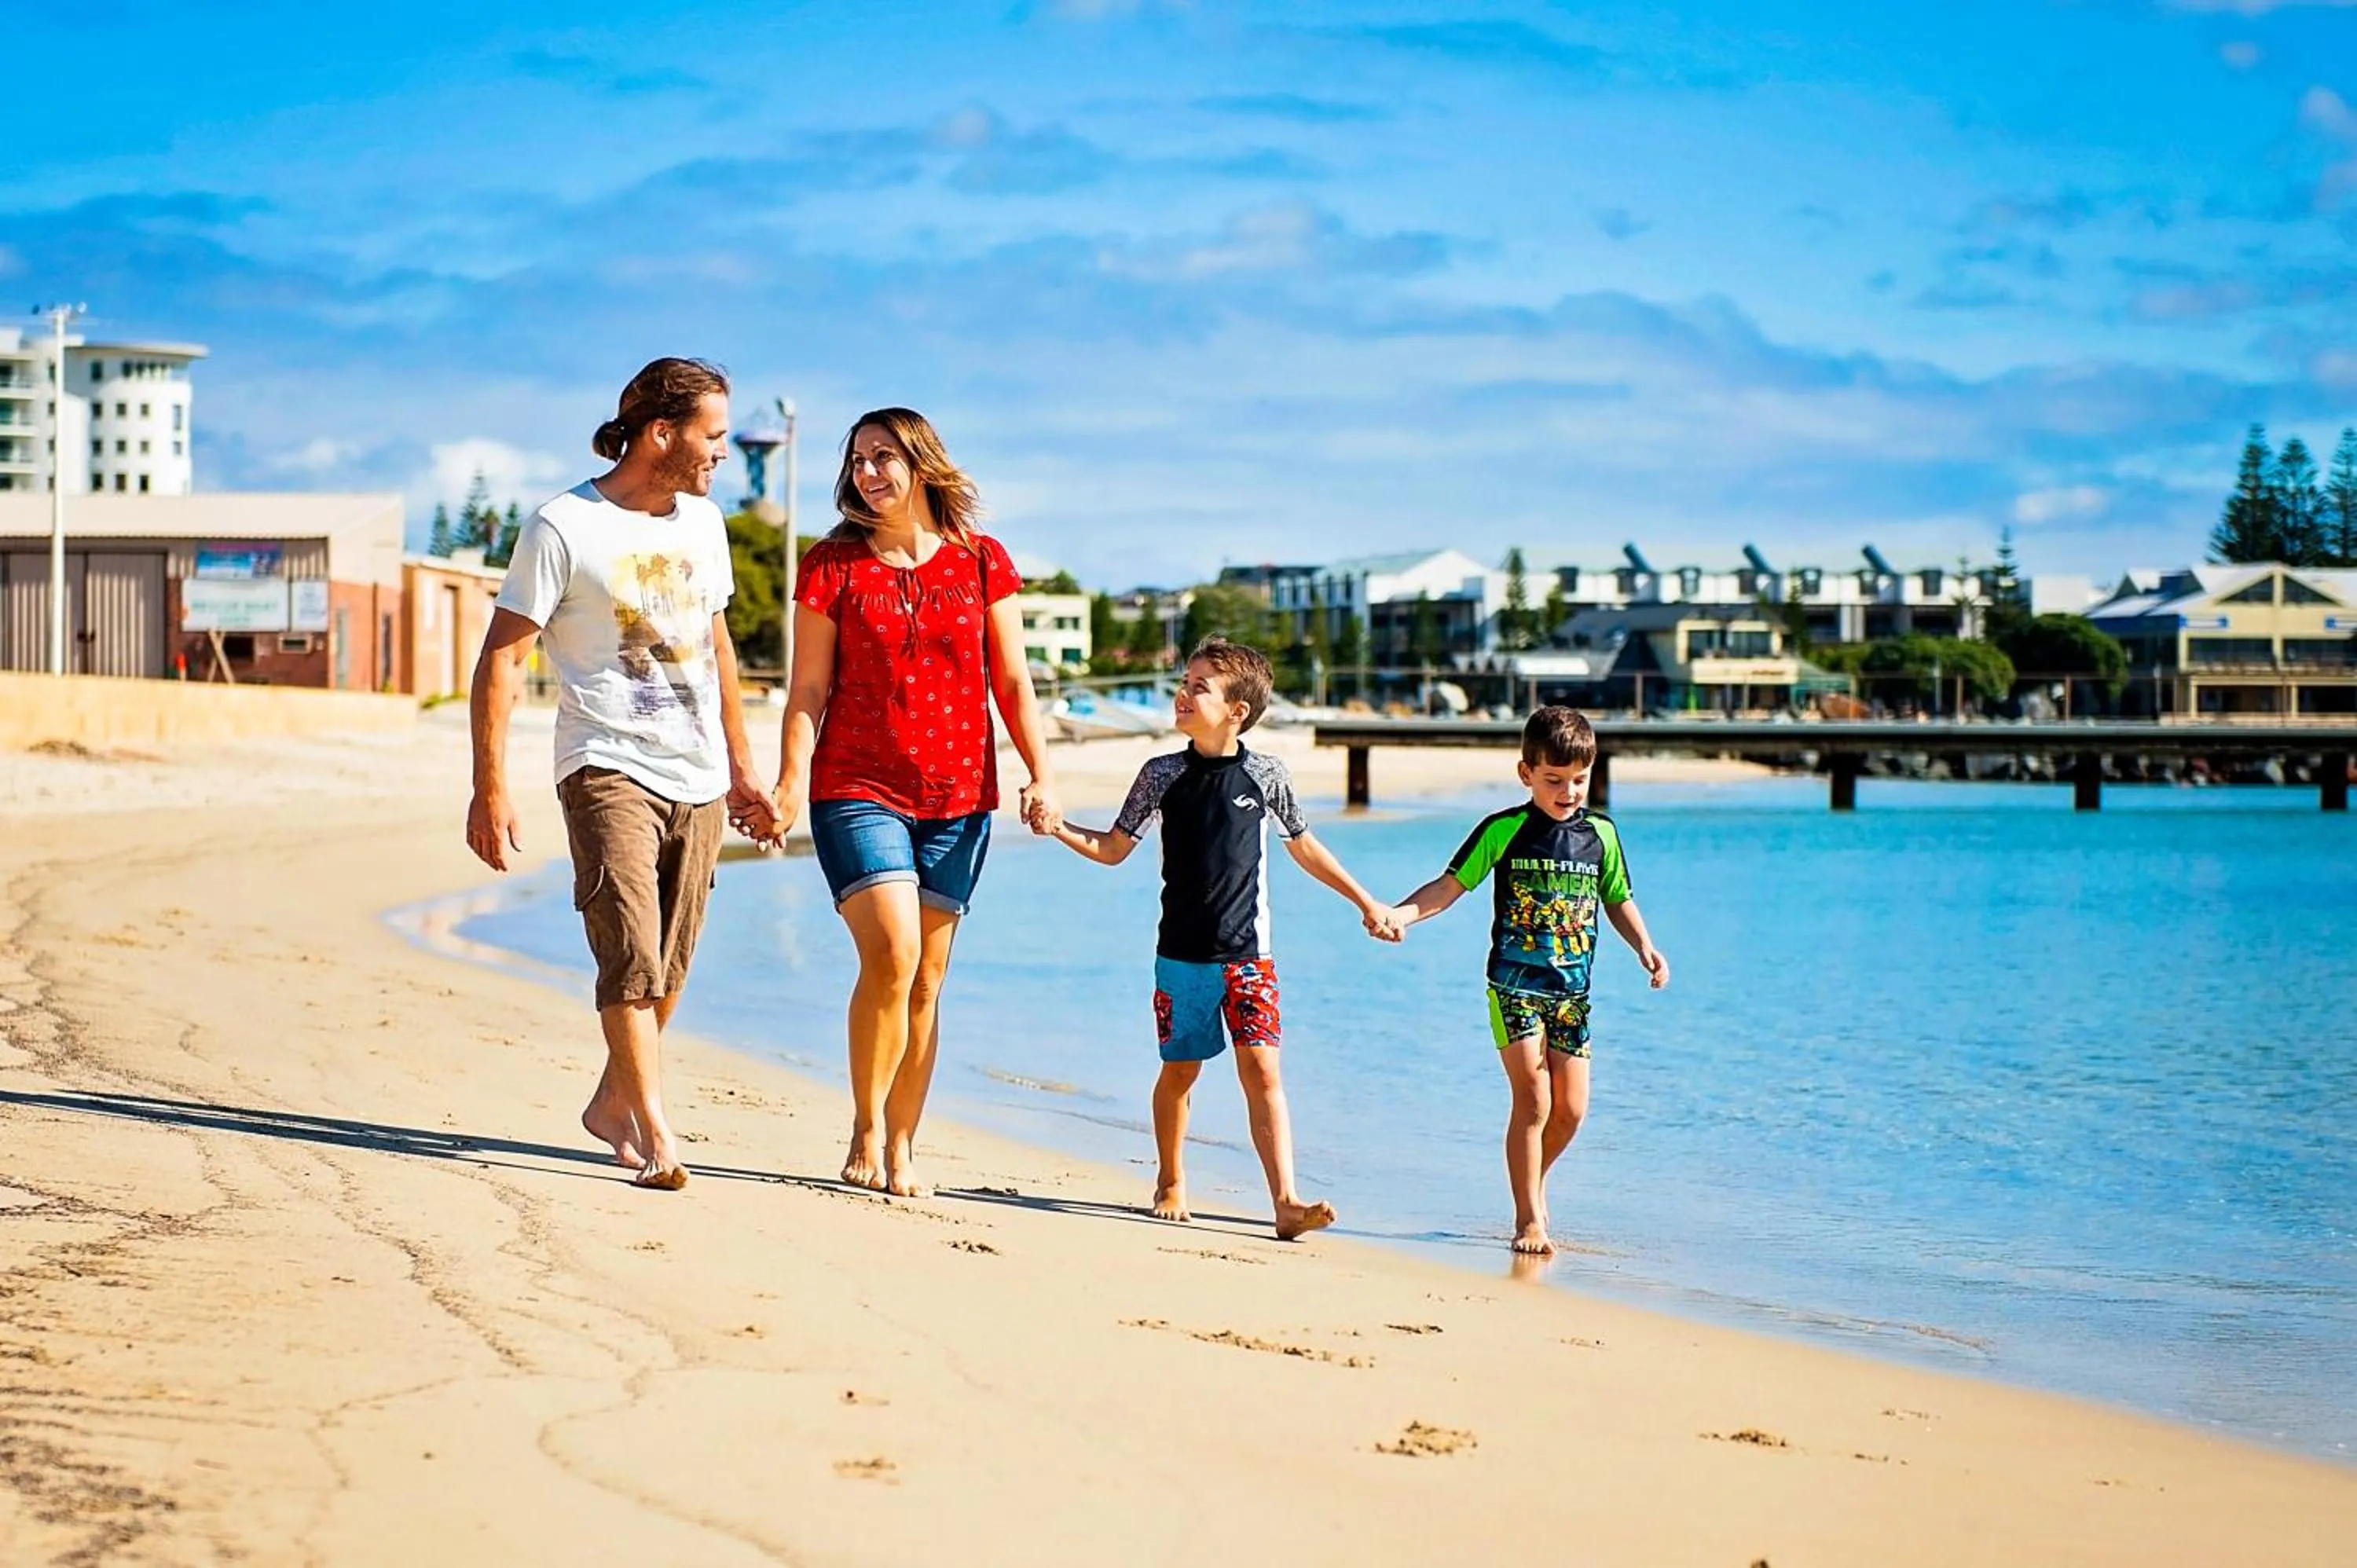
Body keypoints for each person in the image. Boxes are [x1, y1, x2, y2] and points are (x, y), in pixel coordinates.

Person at [466, 357, 779, 1191]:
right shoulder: (563, 525)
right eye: (711, 434)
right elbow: (502, 659)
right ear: (661, 431)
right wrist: (488, 786)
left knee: (668, 965)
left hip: (700, 773)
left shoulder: (704, 525)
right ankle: (657, 1132)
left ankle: (611, 1102)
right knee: (631, 955)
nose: (718, 451)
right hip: (605, 763)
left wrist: (745, 772)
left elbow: (718, 652)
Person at [770, 408, 1061, 1199]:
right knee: (893, 955)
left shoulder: (980, 562)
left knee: (927, 981)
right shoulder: (831, 565)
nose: (868, 472)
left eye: (884, 456)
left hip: (961, 796)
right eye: (858, 459)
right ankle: (865, 1125)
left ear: (922, 463)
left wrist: (1041, 771)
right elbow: (808, 687)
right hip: (857, 788)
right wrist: (792, 780)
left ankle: (902, 1144)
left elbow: (1012, 682)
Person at [1040, 637, 1391, 1241]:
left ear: (1238, 711)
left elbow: (1304, 847)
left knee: (1262, 1073)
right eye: (1185, 681)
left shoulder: (1265, 774)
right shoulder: (1162, 775)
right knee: (1181, 1073)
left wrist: (1366, 901)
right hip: (1181, 959)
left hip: (1250, 959)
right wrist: (1057, 827)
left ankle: (1285, 1201)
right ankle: (1171, 1180)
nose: (1182, 693)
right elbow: (1114, 849)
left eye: (1199, 686)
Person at [1374, 706, 1669, 1255]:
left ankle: (1531, 1178)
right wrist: (1402, 914)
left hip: (1572, 993)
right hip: (1514, 986)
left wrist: (1645, 948)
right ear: (1525, 773)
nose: (1568, 791)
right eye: (1553, 780)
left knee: (1572, 1109)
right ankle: (1529, 1219)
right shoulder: (1504, 830)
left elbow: (1618, 898)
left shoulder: (1601, 835)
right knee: (1533, 1100)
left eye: (1578, 780)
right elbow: (1450, 885)